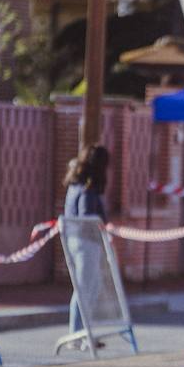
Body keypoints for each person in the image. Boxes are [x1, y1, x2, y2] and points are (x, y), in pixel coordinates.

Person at [64, 144, 110, 347]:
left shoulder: (76, 183)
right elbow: (86, 216)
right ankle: (77, 335)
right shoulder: (87, 188)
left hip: (78, 241)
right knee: (84, 289)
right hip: (86, 242)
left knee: (91, 286)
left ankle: (85, 332)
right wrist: (100, 224)